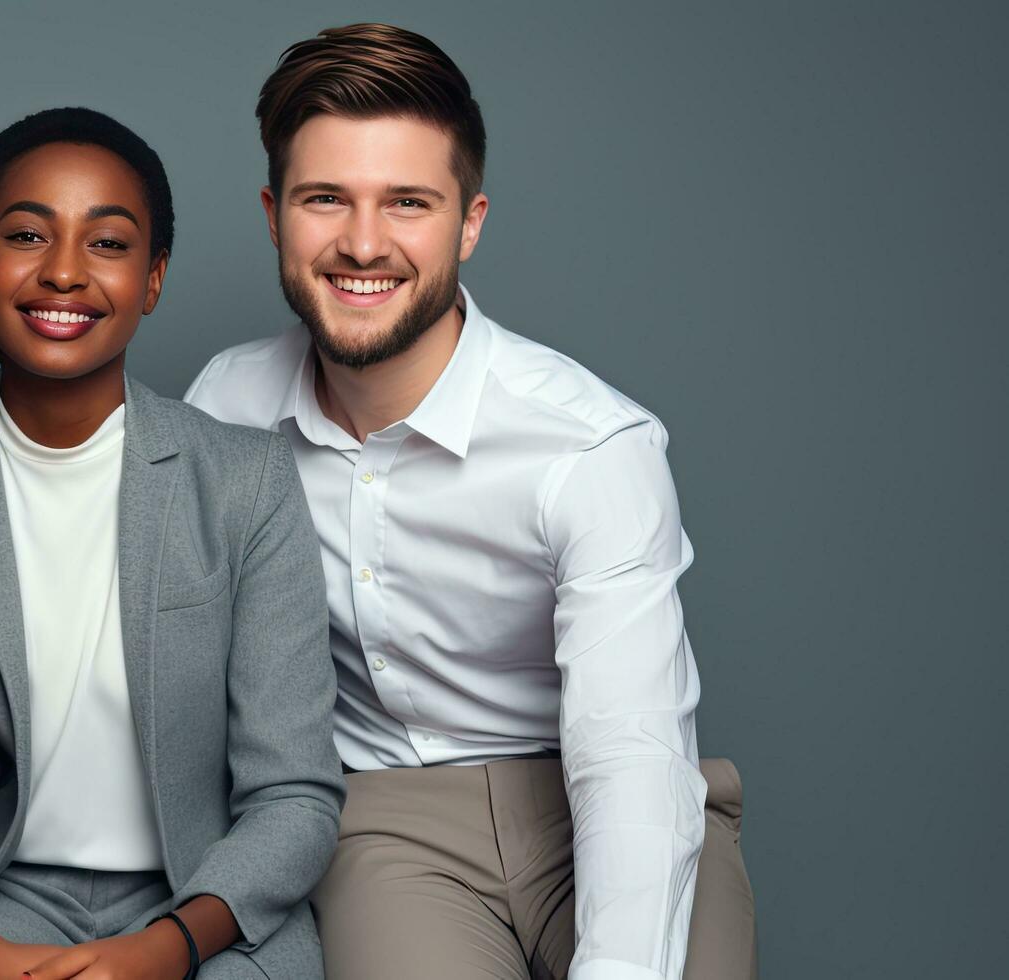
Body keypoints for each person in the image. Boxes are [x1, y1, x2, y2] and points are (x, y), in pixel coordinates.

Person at [184, 23, 757, 980]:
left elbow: (629, 758)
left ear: (469, 221)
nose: (362, 243)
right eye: (325, 199)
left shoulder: (588, 447)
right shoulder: (225, 410)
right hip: (385, 824)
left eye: (407, 203)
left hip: (603, 801)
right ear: (273, 213)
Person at [0, 107, 343, 980]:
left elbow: (295, 796)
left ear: (153, 277)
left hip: (203, 911)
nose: (63, 272)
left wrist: (165, 949)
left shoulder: (246, 482)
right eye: (27, 235)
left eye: (107, 243)